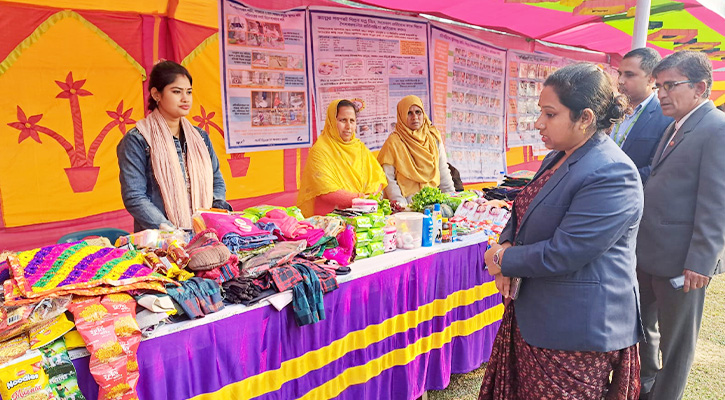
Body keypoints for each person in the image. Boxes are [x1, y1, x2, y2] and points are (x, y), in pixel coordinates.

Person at [480, 63, 643, 399]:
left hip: (574, 330)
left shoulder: (612, 173)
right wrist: (508, 240)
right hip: (539, 313)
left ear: (584, 118)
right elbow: (523, 205)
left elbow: (565, 252)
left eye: (550, 114)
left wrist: (501, 257)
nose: (538, 123)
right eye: (540, 111)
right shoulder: (558, 156)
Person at [636, 51, 725, 400]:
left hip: (682, 261)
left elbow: (716, 202)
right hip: (649, 253)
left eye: (670, 85)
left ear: (700, 87)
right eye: (659, 86)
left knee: (676, 345)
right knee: (642, 328)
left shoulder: (716, 129)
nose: (661, 94)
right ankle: (643, 388)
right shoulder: (677, 124)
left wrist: (700, 261)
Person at [117, 61, 230, 232]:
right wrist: (170, 231)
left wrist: (217, 214)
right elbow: (135, 197)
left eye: (189, 92)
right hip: (161, 240)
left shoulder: (200, 137)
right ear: (156, 94)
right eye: (177, 91)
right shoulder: (137, 140)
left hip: (204, 232)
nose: (185, 98)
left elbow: (217, 180)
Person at [297, 99, 387, 217]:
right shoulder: (320, 150)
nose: (348, 126)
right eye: (343, 120)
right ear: (332, 121)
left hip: (363, 216)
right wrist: (360, 199)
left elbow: (378, 178)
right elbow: (326, 190)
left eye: (352, 121)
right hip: (331, 219)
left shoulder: (359, 147)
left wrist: (369, 198)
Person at [377, 95, 455, 205]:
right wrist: (400, 204)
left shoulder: (433, 138)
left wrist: (451, 197)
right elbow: (388, 178)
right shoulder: (393, 142)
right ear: (401, 115)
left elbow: (443, 171)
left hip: (432, 200)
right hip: (407, 203)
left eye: (418, 112)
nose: (415, 117)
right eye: (409, 113)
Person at [613, 47, 673, 184]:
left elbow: (656, 169)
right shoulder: (610, 109)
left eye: (629, 75)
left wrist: (611, 180)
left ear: (651, 78)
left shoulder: (665, 118)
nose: (621, 80)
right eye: (619, 74)